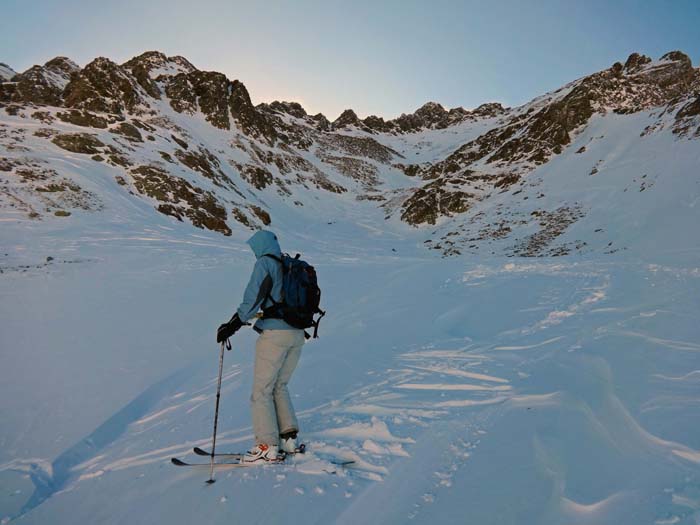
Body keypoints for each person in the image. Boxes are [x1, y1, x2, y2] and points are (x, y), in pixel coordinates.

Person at [216, 230, 305, 463]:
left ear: (261, 246)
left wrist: (232, 325)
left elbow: (253, 298)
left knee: (262, 391)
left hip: (275, 335)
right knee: (279, 385)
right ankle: (289, 440)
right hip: (297, 334)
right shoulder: (289, 264)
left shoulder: (266, 263)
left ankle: (266, 446)